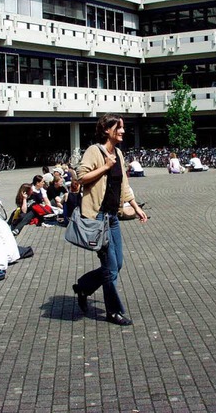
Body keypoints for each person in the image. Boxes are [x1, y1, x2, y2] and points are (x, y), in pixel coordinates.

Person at [72, 113, 147, 326]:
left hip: (113, 217)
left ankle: (84, 286)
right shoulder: (95, 151)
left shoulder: (119, 154)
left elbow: (123, 185)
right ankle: (113, 311)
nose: (123, 131)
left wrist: (135, 206)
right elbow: (80, 177)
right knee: (110, 267)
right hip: (98, 218)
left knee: (118, 264)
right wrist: (104, 166)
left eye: (123, 127)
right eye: (119, 127)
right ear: (107, 129)